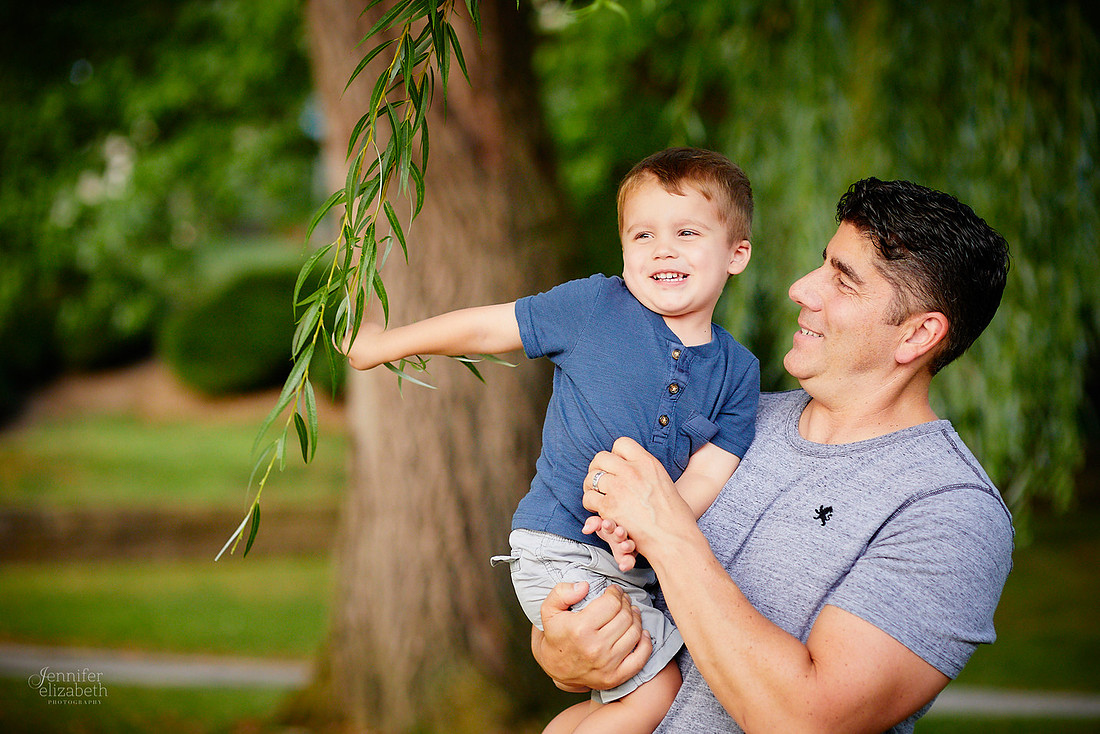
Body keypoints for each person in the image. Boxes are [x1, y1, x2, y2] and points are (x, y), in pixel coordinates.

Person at [531, 177, 1014, 733]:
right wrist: (560, 649)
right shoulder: (728, 420)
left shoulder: (952, 513)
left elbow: (809, 720)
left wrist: (665, 528)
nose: (802, 288)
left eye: (844, 280)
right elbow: (586, 565)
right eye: (823, 263)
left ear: (918, 335)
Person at [345, 148, 760, 733]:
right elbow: (490, 327)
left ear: (735, 254)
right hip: (561, 547)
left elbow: (711, 471)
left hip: (635, 566)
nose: (662, 249)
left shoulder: (738, 371)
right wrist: (382, 344)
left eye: (687, 232)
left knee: (633, 697)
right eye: (642, 234)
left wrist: (647, 522)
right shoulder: (594, 307)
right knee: (663, 684)